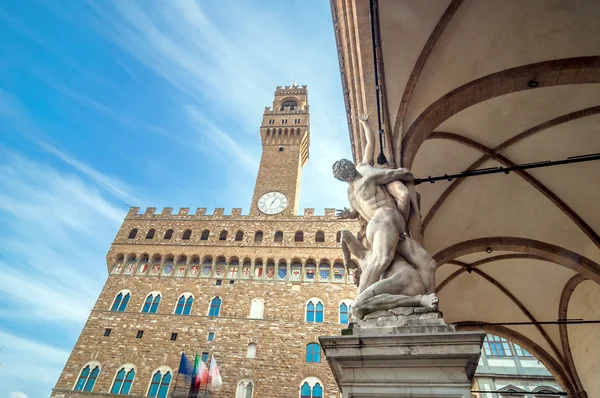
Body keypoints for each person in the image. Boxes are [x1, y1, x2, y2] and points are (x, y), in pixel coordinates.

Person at [333, 114, 437, 296]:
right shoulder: (368, 178)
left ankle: (428, 304)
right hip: (384, 221)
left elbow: (353, 212)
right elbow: (400, 173)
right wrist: (405, 176)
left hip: (394, 227)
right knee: (381, 260)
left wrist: (366, 125)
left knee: (428, 263)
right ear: (351, 168)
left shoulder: (351, 194)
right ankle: (360, 303)